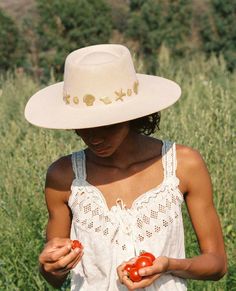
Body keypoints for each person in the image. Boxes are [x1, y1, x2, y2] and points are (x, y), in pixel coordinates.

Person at [24, 44, 227, 291]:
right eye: (82, 124)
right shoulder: (63, 176)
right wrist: (51, 266)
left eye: (107, 124)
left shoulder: (183, 165)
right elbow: (55, 277)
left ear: (132, 115)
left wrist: (169, 265)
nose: (93, 135)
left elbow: (217, 264)